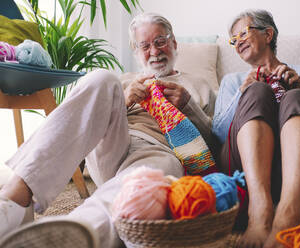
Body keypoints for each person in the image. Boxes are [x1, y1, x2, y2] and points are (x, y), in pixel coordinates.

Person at [0, 13, 216, 248]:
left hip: (160, 151)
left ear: (174, 43)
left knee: (141, 182)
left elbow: (215, 145)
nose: (154, 51)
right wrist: (124, 100)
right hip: (112, 145)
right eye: (145, 45)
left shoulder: (201, 85)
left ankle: (66, 236)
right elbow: (92, 118)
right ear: (136, 51)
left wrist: (189, 106)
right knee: (102, 78)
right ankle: (16, 197)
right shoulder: (125, 81)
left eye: (160, 41)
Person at [212, 9, 300, 248]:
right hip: (246, 174)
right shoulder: (232, 81)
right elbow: (219, 134)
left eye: (243, 33)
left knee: (295, 96)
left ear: (268, 34)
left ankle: (289, 211)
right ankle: (259, 208)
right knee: (257, 91)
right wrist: (242, 95)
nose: (237, 41)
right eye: (233, 40)